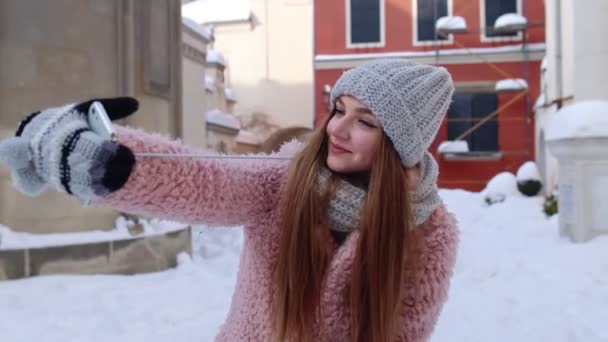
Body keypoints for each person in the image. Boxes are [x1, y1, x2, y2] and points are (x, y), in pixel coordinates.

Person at [0, 59, 458, 341]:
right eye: (339, 109)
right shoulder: (286, 178)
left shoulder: (428, 232)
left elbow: (405, 335)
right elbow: (205, 181)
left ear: (402, 145)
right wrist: (106, 161)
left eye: (366, 121)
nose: (337, 128)